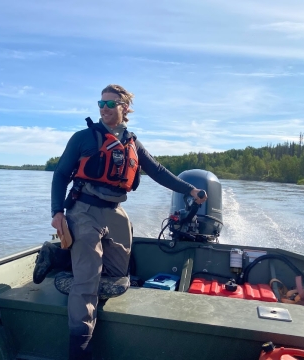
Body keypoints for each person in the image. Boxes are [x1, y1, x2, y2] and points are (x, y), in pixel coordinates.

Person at [49, 84, 207, 360]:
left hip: (115, 211)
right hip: (83, 210)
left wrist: (189, 190)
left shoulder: (132, 141)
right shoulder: (83, 138)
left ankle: (61, 257)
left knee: (118, 276)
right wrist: (57, 213)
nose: (104, 109)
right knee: (87, 282)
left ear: (125, 108)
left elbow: (158, 171)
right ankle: (80, 348)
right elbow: (61, 175)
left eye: (110, 104)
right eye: (101, 104)